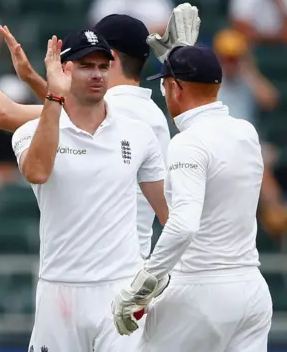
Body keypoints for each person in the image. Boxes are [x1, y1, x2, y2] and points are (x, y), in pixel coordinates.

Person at [0, 18, 169, 352]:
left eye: (102, 64)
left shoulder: (131, 121)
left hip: (122, 280)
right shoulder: (148, 112)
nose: (96, 74)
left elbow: (3, 113)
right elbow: (58, 130)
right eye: (86, 65)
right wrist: (40, 83)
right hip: (68, 284)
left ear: (114, 61)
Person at [112, 45, 274, 352]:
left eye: (165, 85)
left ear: (175, 87)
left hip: (200, 291)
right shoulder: (246, 132)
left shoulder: (188, 142)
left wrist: (143, 283)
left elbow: (184, 225)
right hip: (251, 291)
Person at [0, 14, 173, 258]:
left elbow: (3, 114)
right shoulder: (150, 111)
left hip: (108, 264)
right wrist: (31, 78)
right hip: (120, 260)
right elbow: (62, 110)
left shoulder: (116, 109)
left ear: (109, 56)